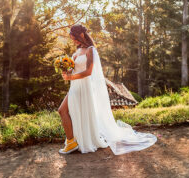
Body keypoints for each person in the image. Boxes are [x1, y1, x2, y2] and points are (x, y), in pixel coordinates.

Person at [57, 24, 157, 155]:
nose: (73, 41)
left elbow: (88, 72)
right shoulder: (76, 52)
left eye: (74, 38)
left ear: (81, 35)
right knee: (67, 111)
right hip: (75, 86)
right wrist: (64, 69)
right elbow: (72, 69)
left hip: (84, 86)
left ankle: (74, 142)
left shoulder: (90, 50)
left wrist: (71, 77)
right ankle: (72, 142)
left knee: (64, 110)